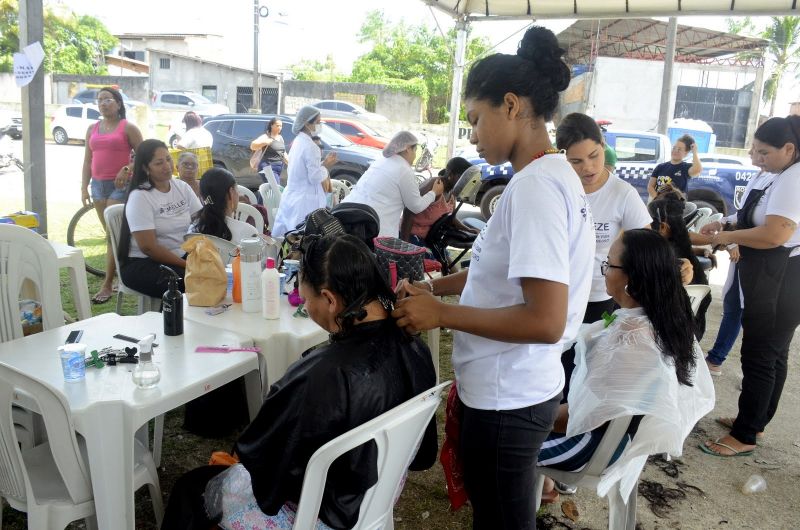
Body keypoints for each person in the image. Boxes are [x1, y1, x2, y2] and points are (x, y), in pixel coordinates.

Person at [392, 26, 594, 529]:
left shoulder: (536, 190)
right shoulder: (548, 175)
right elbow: (495, 271)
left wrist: (439, 314)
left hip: (510, 398)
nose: (474, 135)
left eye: (476, 120)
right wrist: (432, 288)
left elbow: (545, 319)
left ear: (510, 105)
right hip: (519, 388)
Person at [160, 234, 438, 530]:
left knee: (191, 491)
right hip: (376, 494)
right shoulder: (415, 347)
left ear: (330, 299)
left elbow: (263, 461)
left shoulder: (323, 375)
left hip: (326, 514)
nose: (308, 308)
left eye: (306, 300)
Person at [537, 229, 714, 502]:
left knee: (497, 439)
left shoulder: (631, 339)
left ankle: (530, 491)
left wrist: (528, 418)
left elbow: (576, 417)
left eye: (608, 264)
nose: (603, 271)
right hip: (617, 437)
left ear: (632, 278)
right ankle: (541, 486)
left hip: (591, 446)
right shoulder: (662, 316)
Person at [696, 115, 800, 457]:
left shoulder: (794, 178)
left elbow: (775, 233)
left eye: (764, 152)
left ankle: (745, 436)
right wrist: (725, 222)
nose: (756, 159)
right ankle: (754, 420)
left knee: (760, 354)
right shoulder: (777, 174)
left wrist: (726, 236)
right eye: (754, 151)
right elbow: (753, 215)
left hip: (782, 277)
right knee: (773, 353)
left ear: (789, 149)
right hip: (771, 274)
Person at [554, 113, 652, 406]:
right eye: (576, 161)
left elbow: (644, 245)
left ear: (603, 146)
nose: (588, 167)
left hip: (598, 295)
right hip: (558, 292)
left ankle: (571, 421)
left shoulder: (622, 193)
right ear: (563, 159)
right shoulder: (558, 188)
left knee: (583, 365)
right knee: (553, 361)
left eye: (594, 156)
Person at [704, 151, 772, 377]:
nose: (752, 153)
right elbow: (744, 215)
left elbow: (770, 228)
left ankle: (752, 371)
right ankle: (716, 359)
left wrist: (734, 240)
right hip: (745, 256)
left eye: (762, 149)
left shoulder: (785, 180)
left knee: (753, 317)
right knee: (733, 308)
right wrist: (721, 222)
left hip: (763, 261)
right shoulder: (761, 175)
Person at [81, 86, 143, 304]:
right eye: (100, 100)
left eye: (107, 99)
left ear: (118, 103)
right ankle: (118, 272)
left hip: (120, 186)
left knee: (111, 235)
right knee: (111, 233)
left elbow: (144, 155)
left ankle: (107, 284)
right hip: (97, 185)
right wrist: (83, 187)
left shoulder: (128, 128)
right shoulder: (92, 129)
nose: (103, 103)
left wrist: (126, 169)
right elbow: (88, 160)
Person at [117, 139, 202, 298]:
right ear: (145, 168)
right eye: (159, 163)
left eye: (169, 159)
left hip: (179, 255)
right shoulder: (140, 197)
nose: (167, 166)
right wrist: (188, 265)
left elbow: (201, 219)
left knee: (214, 273)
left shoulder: (181, 187)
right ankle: (172, 322)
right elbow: (149, 248)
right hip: (142, 263)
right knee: (190, 282)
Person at [343, 131, 443, 237]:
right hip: (373, 230)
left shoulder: (380, 161)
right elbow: (416, 206)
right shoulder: (404, 169)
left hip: (348, 219)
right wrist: (434, 193)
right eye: (415, 151)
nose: (414, 156)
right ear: (408, 148)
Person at [649, 192, 712, 339]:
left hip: (663, 335)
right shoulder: (684, 253)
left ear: (663, 227)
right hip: (693, 334)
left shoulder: (660, 259)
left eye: (649, 223)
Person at [271, 107, 337, 237]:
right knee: (302, 240)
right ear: (307, 123)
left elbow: (304, 170)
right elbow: (314, 177)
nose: (320, 125)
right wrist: (326, 166)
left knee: (288, 237)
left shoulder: (298, 141)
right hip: (305, 202)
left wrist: (322, 165)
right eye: (317, 122)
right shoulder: (311, 146)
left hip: (294, 197)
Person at [399, 157, 480, 245]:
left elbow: (451, 218)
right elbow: (409, 210)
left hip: (431, 238)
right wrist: (405, 243)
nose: (466, 182)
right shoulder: (434, 185)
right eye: (463, 178)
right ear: (451, 174)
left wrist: (467, 229)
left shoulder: (452, 191)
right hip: (412, 235)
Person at [190, 167, 259, 243]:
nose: (238, 194)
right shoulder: (248, 232)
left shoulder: (193, 229)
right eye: (237, 189)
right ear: (231, 192)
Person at [647, 134, 702, 198]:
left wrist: (694, 152)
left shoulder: (686, 167)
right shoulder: (660, 167)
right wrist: (658, 199)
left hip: (677, 205)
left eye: (679, 149)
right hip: (660, 204)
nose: (675, 151)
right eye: (674, 148)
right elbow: (650, 187)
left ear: (686, 153)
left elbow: (697, 170)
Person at [250, 117, 288, 181]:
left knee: (271, 189)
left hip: (278, 168)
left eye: (281, 126)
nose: (279, 128)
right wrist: (265, 142)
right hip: (268, 167)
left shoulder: (280, 137)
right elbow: (253, 146)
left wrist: (290, 164)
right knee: (275, 189)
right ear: (271, 125)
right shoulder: (266, 136)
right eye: (277, 125)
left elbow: (283, 153)